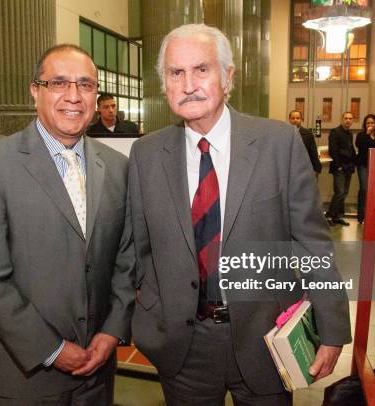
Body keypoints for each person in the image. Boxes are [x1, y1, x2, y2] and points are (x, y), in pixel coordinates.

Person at [129, 24, 351, 406]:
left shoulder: (279, 144)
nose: (188, 84)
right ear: (164, 83)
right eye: (175, 73)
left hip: (265, 340)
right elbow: (137, 249)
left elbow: (314, 245)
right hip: (184, 348)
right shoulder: (146, 155)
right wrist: (148, 318)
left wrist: (331, 329)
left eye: (202, 69)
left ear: (228, 77)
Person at [0, 44, 135, 406]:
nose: (74, 96)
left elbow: (125, 258)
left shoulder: (117, 167)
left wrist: (112, 331)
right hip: (28, 375)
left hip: (98, 369)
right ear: (35, 91)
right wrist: (52, 349)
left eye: (86, 85)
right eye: (58, 83)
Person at [327, 111, 357, 226]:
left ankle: (338, 217)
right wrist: (338, 166)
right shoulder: (335, 132)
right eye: (346, 118)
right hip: (339, 167)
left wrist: (354, 162)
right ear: (342, 119)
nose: (348, 120)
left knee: (344, 193)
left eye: (350, 118)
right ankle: (329, 216)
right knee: (339, 192)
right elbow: (333, 150)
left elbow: (351, 149)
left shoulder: (350, 134)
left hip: (348, 167)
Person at [288, 110, 322, 175]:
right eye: (293, 118)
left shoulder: (308, 134)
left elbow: (313, 152)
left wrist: (316, 169)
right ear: (289, 119)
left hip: (304, 168)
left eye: (298, 118)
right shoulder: (284, 133)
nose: (295, 120)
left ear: (301, 119)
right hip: (289, 168)